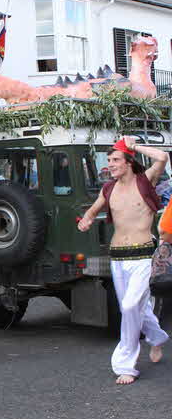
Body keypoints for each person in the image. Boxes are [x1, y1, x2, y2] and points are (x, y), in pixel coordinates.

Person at [78, 136, 169, 385]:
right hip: (118, 257)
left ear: (129, 161)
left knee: (130, 307)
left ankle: (125, 364)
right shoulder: (108, 189)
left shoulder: (144, 180)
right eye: (108, 160)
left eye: (115, 159)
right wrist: (86, 220)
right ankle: (158, 338)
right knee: (133, 307)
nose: (110, 164)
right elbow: (93, 209)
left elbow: (162, 157)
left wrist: (134, 145)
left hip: (142, 256)